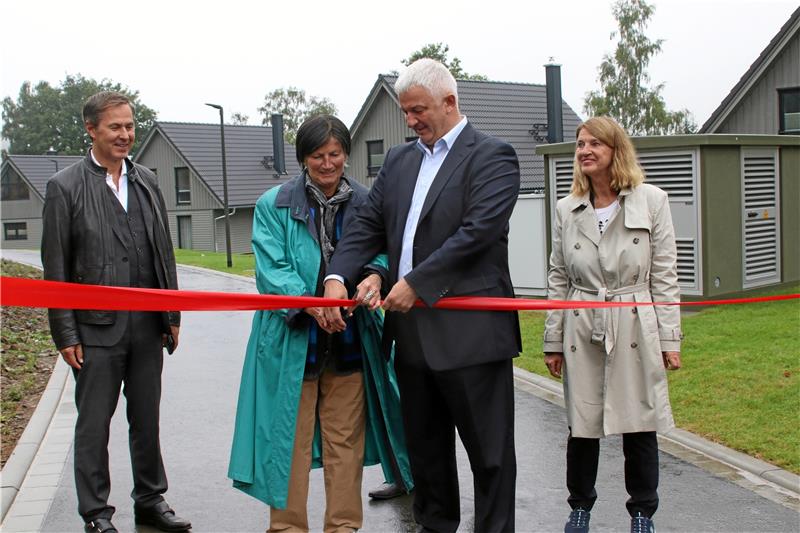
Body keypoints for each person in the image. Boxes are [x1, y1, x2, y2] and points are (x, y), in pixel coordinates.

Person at [323, 58, 521, 533]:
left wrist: (416, 284)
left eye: (417, 111)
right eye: (405, 112)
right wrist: (337, 279)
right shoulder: (399, 159)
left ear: (449, 102)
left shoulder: (493, 155)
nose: (409, 121)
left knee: (490, 460)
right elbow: (369, 224)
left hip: (472, 338)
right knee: (427, 460)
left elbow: (477, 233)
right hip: (411, 339)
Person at [227, 115, 413, 533]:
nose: (328, 164)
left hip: (350, 343)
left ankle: (343, 527)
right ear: (303, 158)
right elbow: (271, 271)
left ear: (346, 153)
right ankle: (287, 528)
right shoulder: (271, 204)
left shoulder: (369, 201)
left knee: (344, 442)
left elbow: (384, 252)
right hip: (291, 343)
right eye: (317, 156)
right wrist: (312, 306)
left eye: (335, 154)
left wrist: (375, 275)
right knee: (287, 443)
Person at [41, 91, 189, 533]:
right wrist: (65, 333)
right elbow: (56, 267)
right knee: (94, 426)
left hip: (147, 326)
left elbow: (163, 250)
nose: (125, 135)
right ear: (91, 129)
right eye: (115, 127)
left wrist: (173, 314)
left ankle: (150, 499)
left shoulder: (147, 180)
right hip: (95, 331)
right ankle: (96, 514)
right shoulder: (64, 187)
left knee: (147, 418)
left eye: (129, 126)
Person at [543, 116, 683, 533]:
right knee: (581, 425)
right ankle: (580, 508)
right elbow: (558, 276)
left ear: (615, 150)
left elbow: (665, 275)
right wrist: (553, 339)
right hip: (582, 322)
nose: (584, 151)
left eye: (594, 144)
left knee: (639, 422)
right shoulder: (566, 209)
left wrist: (669, 338)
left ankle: (642, 513)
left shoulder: (652, 201)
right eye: (580, 144)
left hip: (634, 321)